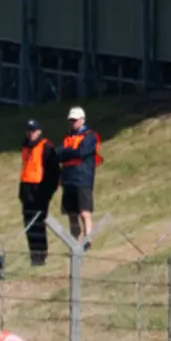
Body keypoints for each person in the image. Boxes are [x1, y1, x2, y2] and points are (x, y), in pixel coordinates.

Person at [59, 106, 102, 249]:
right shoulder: (67, 137)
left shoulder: (90, 136)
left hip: (83, 178)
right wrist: (70, 152)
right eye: (71, 120)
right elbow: (58, 154)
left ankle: (87, 241)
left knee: (85, 212)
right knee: (72, 214)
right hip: (68, 179)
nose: (73, 123)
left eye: (75, 120)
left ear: (82, 120)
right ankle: (75, 243)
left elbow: (82, 152)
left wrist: (67, 152)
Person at [19, 119, 59, 266]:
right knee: (28, 224)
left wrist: (46, 192)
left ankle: (41, 255)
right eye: (29, 131)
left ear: (39, 131)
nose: (31, 134)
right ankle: (33, 255)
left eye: (33, 131)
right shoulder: (25, 146)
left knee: (39, 223)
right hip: (27, 190)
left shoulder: (47, 147)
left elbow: (54, 172)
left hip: (40, 191)